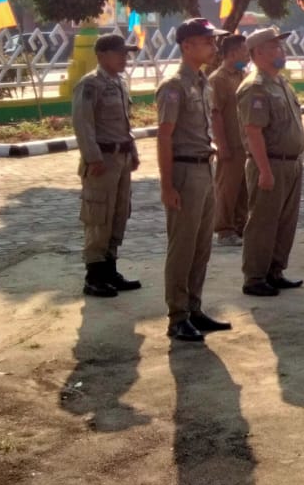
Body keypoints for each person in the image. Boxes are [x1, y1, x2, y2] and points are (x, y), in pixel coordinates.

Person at [155, 18, 230, 343]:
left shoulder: (202, 82)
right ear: (187, 46)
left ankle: (194, 308)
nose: (213, 47)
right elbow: (164, 137)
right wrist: (167, 185)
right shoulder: (173, 85)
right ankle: (178, 316)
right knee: (183, 247)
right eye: (206, 41)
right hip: (184, 171)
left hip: (204, 168)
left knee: (201, 245)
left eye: (213, 42)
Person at [70, 32, 142, 299]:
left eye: (126, 53)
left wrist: (132, 150)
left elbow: (125, 122)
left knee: (119, 213)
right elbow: (83, 123)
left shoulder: (120, 83)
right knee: (98, 215)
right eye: (120, 53)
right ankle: (95, 275)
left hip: (120, 158)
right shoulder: (90, 85)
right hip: (102, 160)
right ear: (102, 55)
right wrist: (93, 158)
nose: (125, 57)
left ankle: (110, 269)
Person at [238, 27, 304, 298]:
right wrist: (265, 171)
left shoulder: (280, 82)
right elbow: (253, 131)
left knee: (285, 222)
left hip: (290, 163)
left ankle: (275, 271)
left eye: (281, 46)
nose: (282, 51)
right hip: (270, 163)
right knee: (263, 222)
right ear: (258, 53)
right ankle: (255, 277)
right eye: (275, 46)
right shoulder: (255, 87)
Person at [208, 33, 250, 249]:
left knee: (244, 188)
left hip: (245, 144)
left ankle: (240, 225)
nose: (248, 55)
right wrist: (221, 144)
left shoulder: (242, 75)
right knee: (227, 188)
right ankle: (224, 229)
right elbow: (215, 114)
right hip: (230, 144)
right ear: (233, 53)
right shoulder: (218, 79)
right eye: (244, 50)